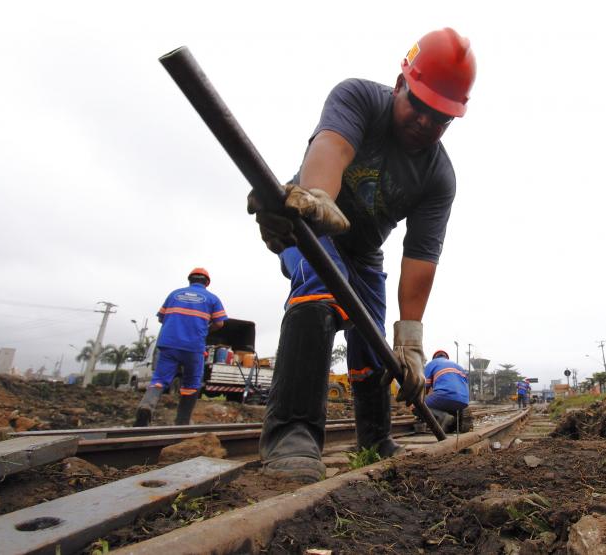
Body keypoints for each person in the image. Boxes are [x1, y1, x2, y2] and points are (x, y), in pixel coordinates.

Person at [247, 28, 476, 483]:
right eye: (419, 106)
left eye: (441, 118)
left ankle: (375, 439)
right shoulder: (359, 99)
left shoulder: (439, 176)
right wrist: (316, 197)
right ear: (399, 84)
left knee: (373, 341)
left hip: (366, 254)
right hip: (311, 221)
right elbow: (333, 145)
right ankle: (292, 433)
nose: (426, 124)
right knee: (321, 283)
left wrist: (409, 343)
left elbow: (421, 259)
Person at [134, 268, 227, 427]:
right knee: (191, 383)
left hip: (169, 343)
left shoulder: (174, 294)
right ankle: (182, 421)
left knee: (159, 380)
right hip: (194, 346)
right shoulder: (212, 299)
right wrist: (205, 329)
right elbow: (219, 322)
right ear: (207, 283)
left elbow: (161, 318)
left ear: (190, 280)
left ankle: (146, 406)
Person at [422, 349, 469, 432]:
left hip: (444, 396)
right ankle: (456, 424)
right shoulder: (459, 367)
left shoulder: (432, 364)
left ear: (435, 358)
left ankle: (442, 416)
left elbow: (425, 387)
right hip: (464, 400)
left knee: (416, 404)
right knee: (454, 401)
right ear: (446, 357)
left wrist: (422, 399)